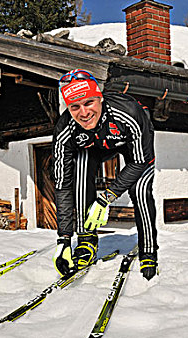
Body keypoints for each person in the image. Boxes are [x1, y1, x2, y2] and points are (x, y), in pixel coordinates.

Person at [51, 69, 158, 280]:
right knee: (80, 162)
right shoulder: (66, 128)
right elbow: (62, 183)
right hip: (97, 146)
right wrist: (63, 239)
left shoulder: (128, 112)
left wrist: (105, 198)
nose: (83, 113)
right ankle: (86, 241)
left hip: (134, 149)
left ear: (99, 98)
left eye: (88, 103)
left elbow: (139, 161)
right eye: (75, 107)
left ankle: (148, 249)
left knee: (140, 190)